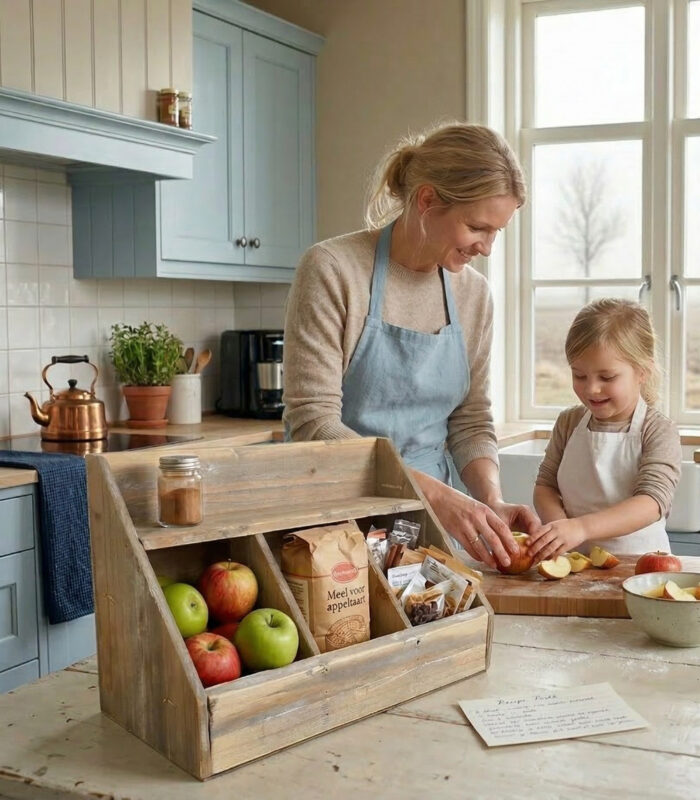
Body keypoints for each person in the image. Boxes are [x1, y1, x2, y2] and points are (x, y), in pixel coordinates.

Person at [283, 122, 540, 569]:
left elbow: (470, 418)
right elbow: (313, 425)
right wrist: (438, 495)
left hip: (424, 528)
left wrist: (490, 500)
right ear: (426, 201)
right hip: (331, 530)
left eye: (497, 231)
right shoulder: (333, 270)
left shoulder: (473, 295)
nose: (488, 248)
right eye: (478, 227)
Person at [529, 298, 682, 562]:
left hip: (640, 566)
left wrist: (582, 527)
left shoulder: (658, 430)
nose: (591, 389)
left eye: (607, 377)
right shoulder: (568, 423)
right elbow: (545, 486)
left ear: (642, 371)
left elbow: (651, 502)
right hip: (574, 563)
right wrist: (559, 530)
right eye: (579, 375)